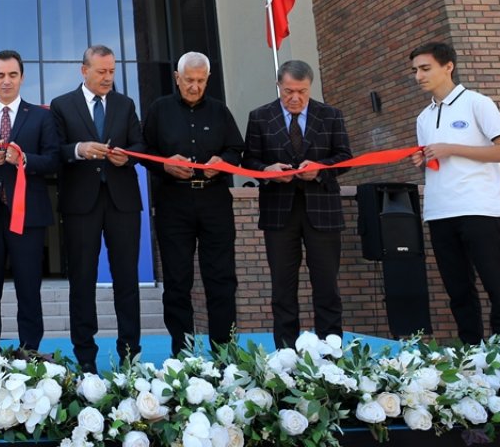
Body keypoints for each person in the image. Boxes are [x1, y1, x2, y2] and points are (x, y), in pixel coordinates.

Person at [409, 42, 500, 344]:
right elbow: (438, 164)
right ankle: (470, 350)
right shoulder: (423, 117)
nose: (418, 76)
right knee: (458, 289)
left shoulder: (477, 103)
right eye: (415, 71)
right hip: (439, 211)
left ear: (448, 67)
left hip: (478, 209)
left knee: (497, 284)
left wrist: (450, 148)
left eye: (425, 68)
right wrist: (426, 160)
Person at [243, 60, 353, 348]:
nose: (295, 98)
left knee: (327, 286)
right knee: (282, 287)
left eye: (301, 92)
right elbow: (249, 160)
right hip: (279, 212)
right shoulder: (259, 117)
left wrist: (320, 167)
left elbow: (344, 157)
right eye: (289, 91)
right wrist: (267, 171)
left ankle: (331, 351)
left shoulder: (330, 115)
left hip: (323, 210)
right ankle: (285, 351)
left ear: (310, 87)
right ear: (279, 86)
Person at [49, 45, 146, 372]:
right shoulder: (63, 105)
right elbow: (54, 151)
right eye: (102, 71)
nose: (108, 77)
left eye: (112, 71)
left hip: (123, 202)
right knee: (82, 280)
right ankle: (86, 358)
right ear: (84, 70)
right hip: (80, 204)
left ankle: (130, 355)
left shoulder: (125, 104)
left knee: (127, 281)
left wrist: (128, 156)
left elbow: (140, 145)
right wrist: (78, 149)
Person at [143, 52, 243, 355]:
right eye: (189, 80)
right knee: (176, 281)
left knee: (221, 278)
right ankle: (183, 353)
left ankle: (224, 351)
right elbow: (143, 149)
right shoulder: (159, 110)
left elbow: (237, 149)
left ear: (208, 79)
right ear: (177, 77)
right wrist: (164, 165)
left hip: (214, 200)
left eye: (200, 81)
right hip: (174, 201)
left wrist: (223, 162)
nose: (195, 86)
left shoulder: (220, 111)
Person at [0, 50, 61, 352]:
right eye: (0, 75)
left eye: (12, 75)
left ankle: (30, 352)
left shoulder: (43, 116)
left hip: (27, 216)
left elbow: (55, 160)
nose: (6, 81)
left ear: (22, 77)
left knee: (28, 288)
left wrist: (25, 159)